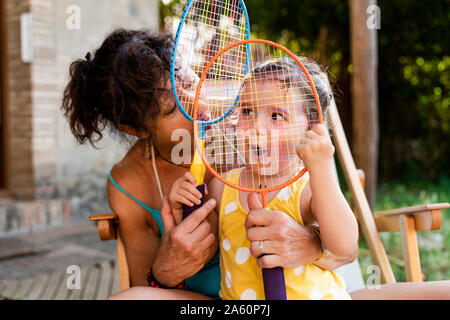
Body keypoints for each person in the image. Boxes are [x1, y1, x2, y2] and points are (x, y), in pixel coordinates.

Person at [62, 28, 351, 300]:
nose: (195, 101)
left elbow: (344, 246)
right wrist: (167, 260)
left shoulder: (249, 134)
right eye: (174, 107)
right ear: (136, 129)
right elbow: (147, 283)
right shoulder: (129, 183)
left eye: (188, 82)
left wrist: (312, 244)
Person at [169, 57, 358, 300]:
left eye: (277, 116)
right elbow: (202, 248)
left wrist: (322, 169)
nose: (257, 126)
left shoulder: (307, 188)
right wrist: (182, 209)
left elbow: (344, 244)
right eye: (247, 111)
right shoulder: (222, 187)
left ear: (310, 128)